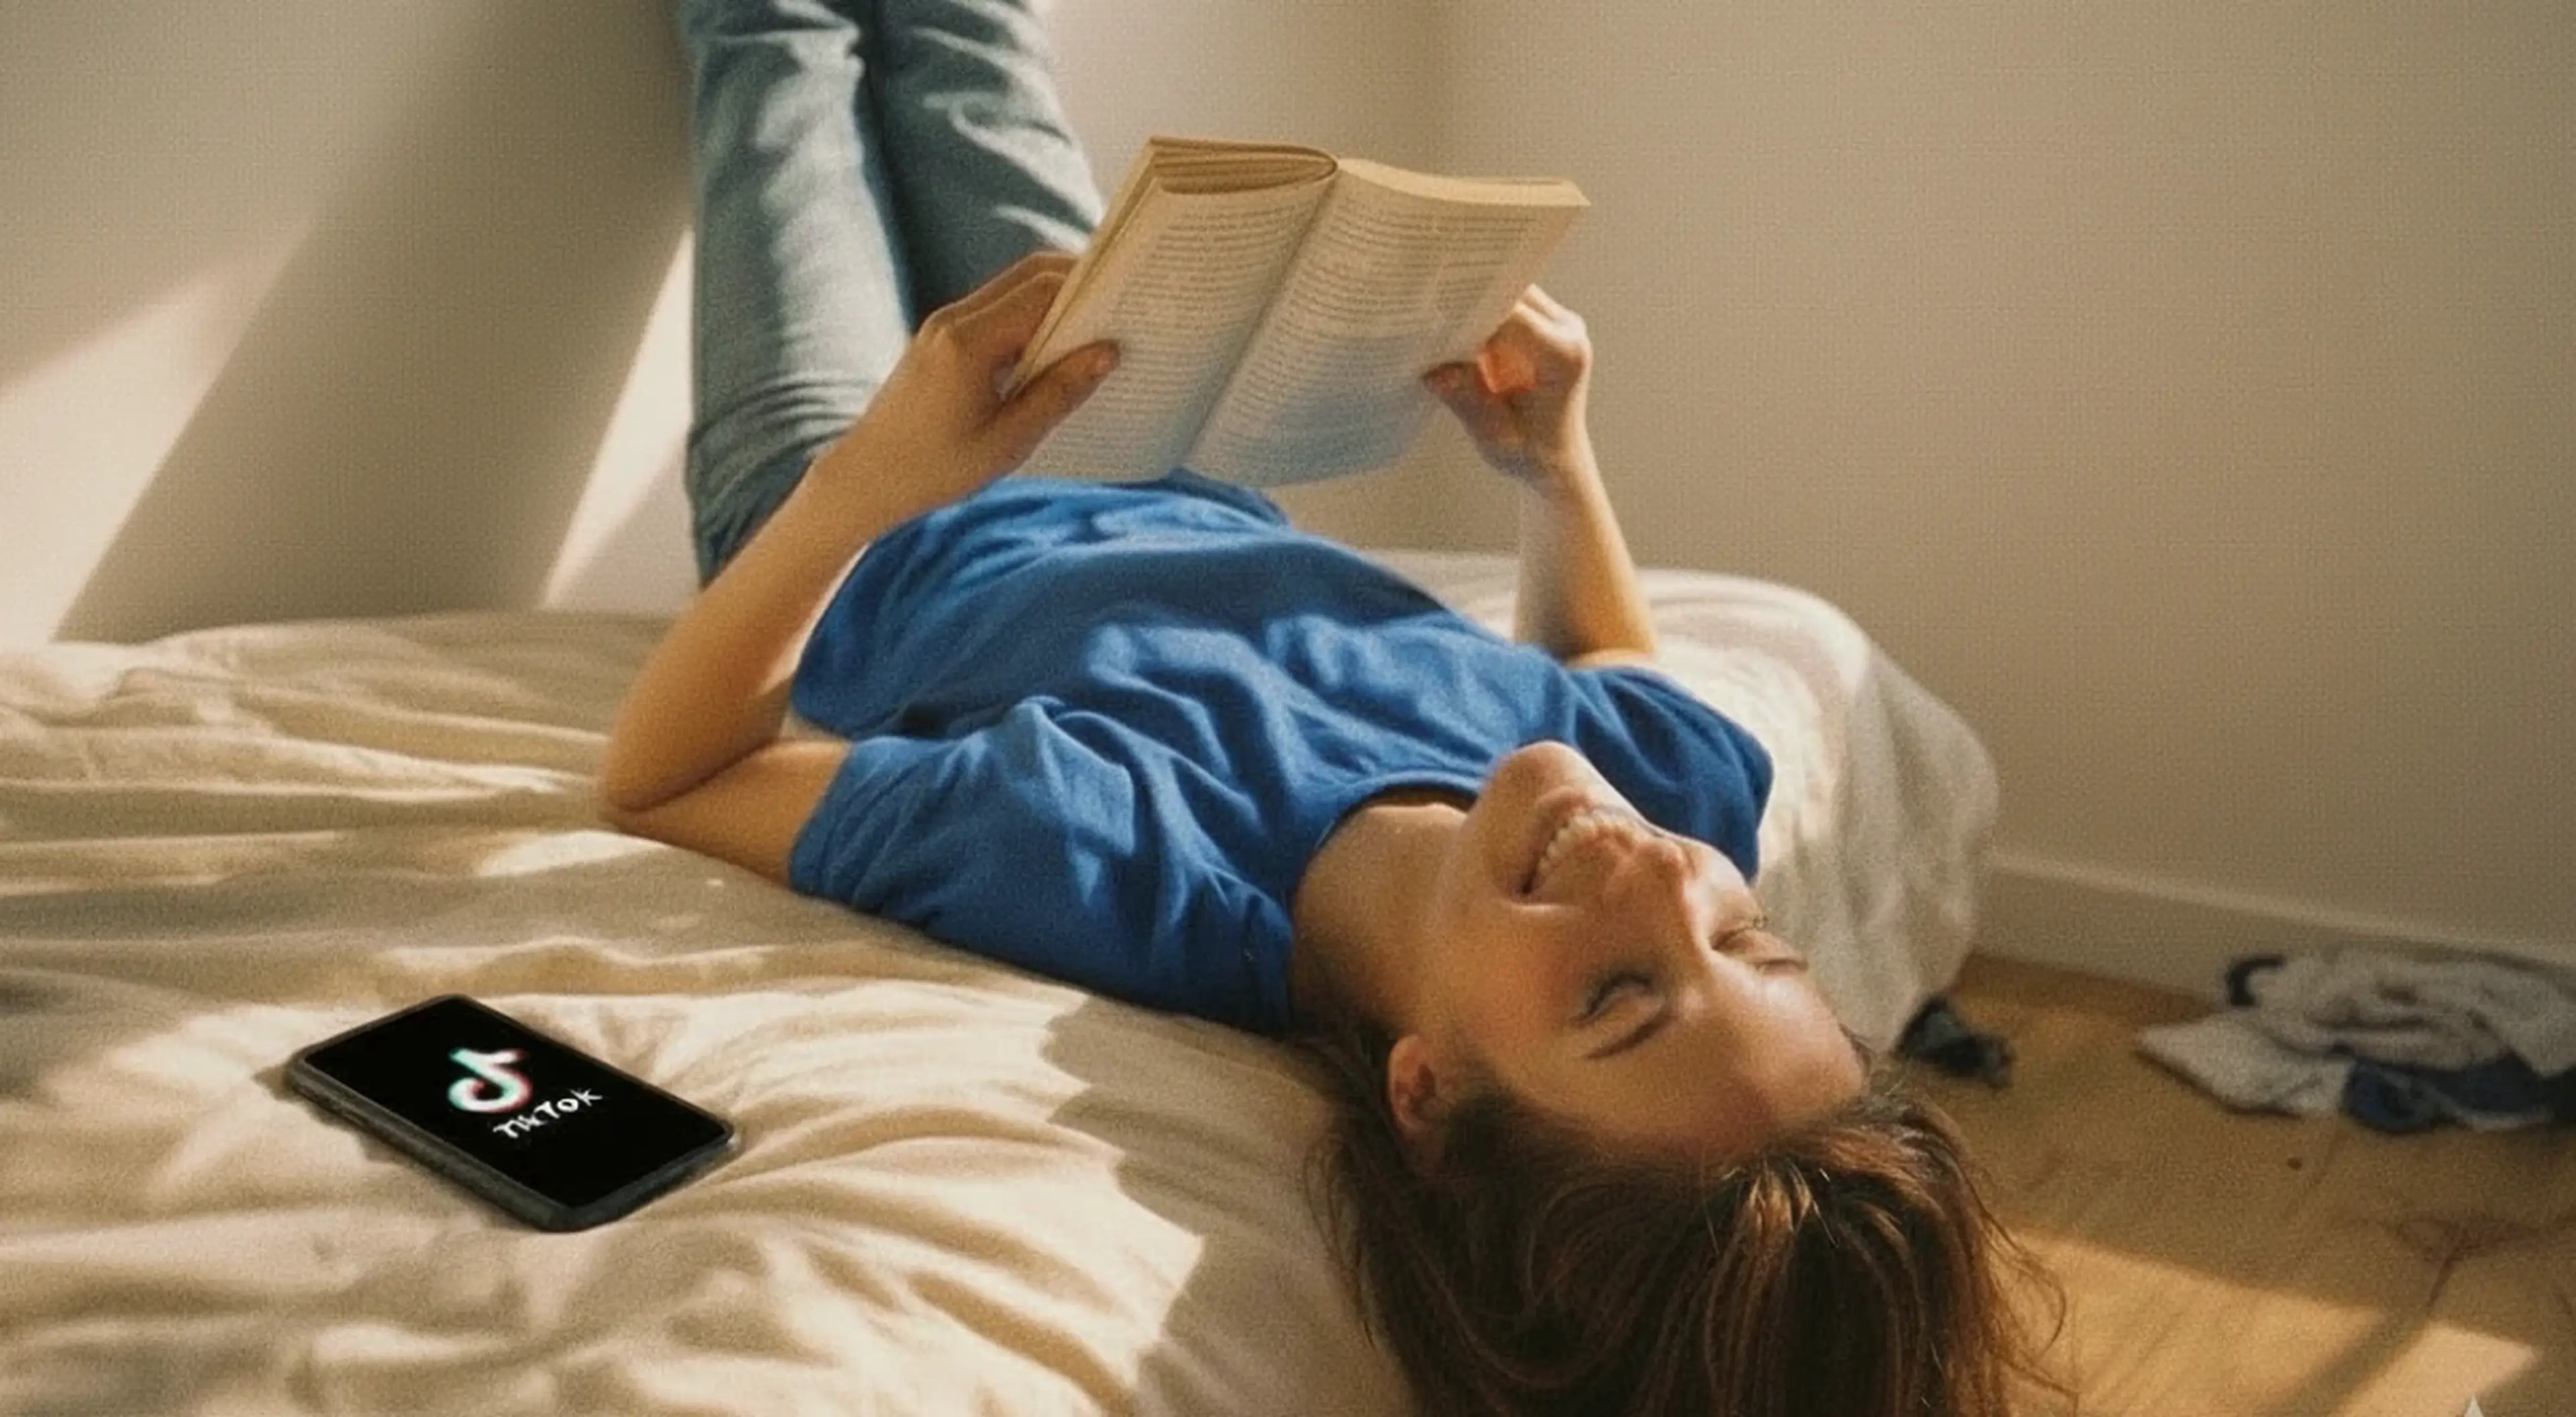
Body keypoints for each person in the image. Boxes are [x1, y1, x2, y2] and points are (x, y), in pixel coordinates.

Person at [604, 1, 2061, 1412]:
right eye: (1750, 941)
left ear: (1425, 1097)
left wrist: (864, 480)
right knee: (964, 36)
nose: (1662, 886)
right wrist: (1554, 463)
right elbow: (1612, 659)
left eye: (1617, 998)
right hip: (1148, 438)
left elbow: (671, 775)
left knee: (779, 45)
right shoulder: (1659, 804)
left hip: (860, 505)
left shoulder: (1114, 857)